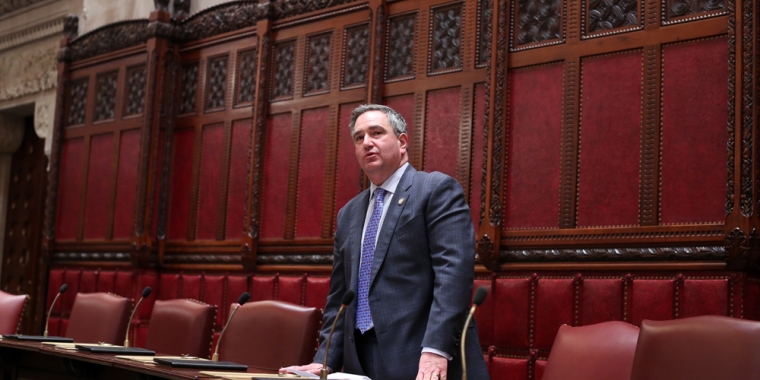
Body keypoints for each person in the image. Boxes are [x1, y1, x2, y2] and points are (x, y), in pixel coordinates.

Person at [281, 104, 489, 380]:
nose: (367, 142)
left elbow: (453, 275)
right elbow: (340, 296)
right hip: (362, 362)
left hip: (423, 358)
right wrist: (326, 359)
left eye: (376, 133)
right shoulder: (349, 214)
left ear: (402, 142)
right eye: (359, 137)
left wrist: (436, 349)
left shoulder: (435, 190)